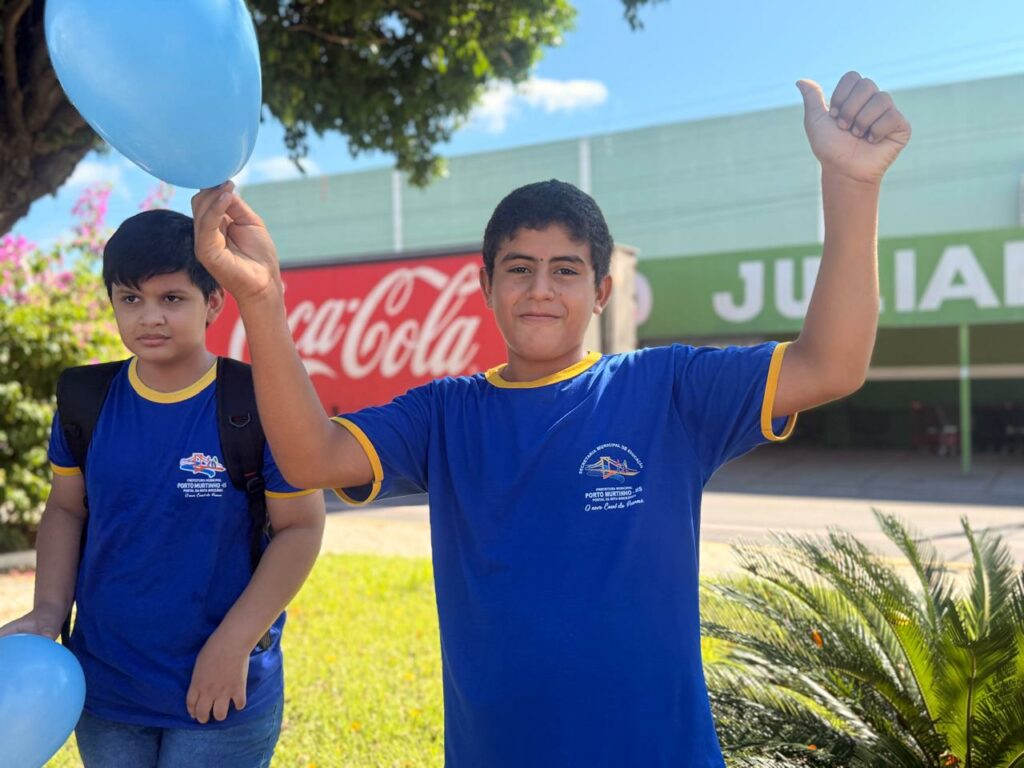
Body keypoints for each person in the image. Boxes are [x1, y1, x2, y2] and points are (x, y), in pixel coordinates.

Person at [190, 72, 910, 766]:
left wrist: (853, 185)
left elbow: (831, 365)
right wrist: (262, 301)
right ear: (487, 285)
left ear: (601, 291)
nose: (541, 289)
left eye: (565, 270)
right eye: (519, 268)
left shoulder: (669, 389)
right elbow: (313, 458)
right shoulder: (446, 414)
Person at [0, 210, 326, 768]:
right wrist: (50, 610)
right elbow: (65, 508)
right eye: (130, 299)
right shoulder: (86, 400)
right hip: (106, 687)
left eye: (172, 298)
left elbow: (301, 528)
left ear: (214, 303)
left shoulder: (258, 400)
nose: (149, 317)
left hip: (222, 684)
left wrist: (234, 644)